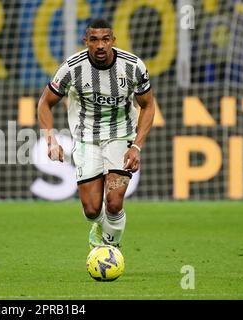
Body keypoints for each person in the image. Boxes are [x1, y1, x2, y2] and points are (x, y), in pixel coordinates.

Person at [37, 18, 155, 249]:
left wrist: (137, 146)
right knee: (92, 210)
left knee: (113, 201)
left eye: (105, 39)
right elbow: (44, 103)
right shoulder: (71, 68)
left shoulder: (133, 67)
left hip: (121, 135)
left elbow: (148, 105)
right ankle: (98, 225)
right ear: (86, 41)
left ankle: (110, 250)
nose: (100, 45)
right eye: (94, 40)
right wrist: (50, 140)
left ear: (113, 40)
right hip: (85, 138)